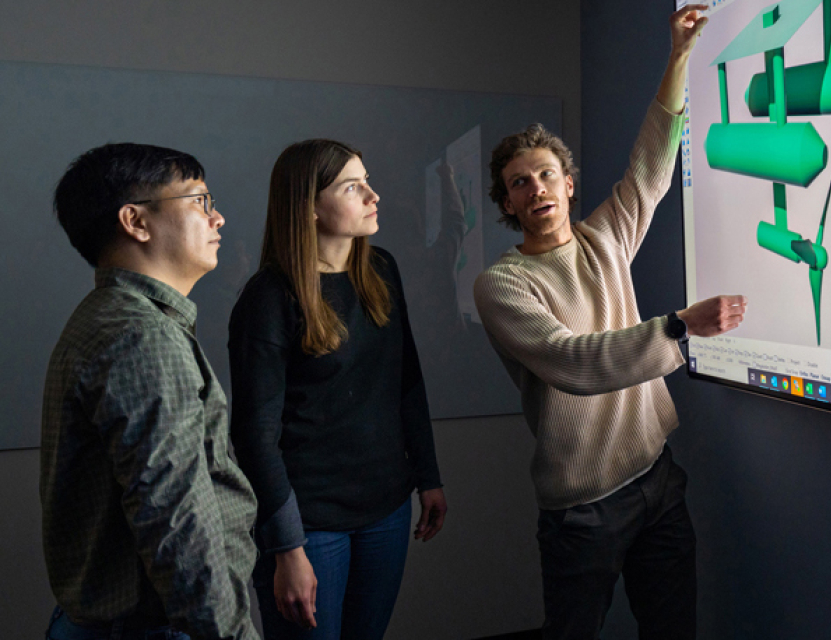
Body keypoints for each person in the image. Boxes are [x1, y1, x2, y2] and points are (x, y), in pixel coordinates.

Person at [474, 6, 744, 638]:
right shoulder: (501, 284)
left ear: (568, 184)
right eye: (519, 183)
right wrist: (678, 328)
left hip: (658, 480)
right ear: (508, 203)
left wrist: (678, 56)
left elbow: (651, 167)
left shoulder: (604, 240)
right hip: (581, 509)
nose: (535, 188)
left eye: (545, 174)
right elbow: (574, 362)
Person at [228, 139, 446, 640]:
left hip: (386, 508)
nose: (373, 195)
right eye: (353, 186)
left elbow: (406, 380)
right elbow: (255, 435)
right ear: (308, 208)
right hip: (309, 522)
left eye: (367, 180)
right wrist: (286, 546)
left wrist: (427, 475)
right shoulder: (268, 298)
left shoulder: (382, 270)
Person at [41, 143, 259, 640]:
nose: (218, 218)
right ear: (136, 222)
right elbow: (176, 517)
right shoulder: (142, 335)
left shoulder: (112, 317)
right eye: (200, 201)